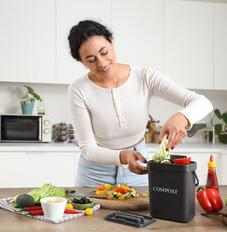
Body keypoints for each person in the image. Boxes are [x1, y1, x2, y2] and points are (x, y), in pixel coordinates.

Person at [67, 20, 213, 187]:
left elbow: (203, 102)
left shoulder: (144, 77)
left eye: (104, 52)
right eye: (91, 59)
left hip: (140, 165)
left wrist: (181, 118)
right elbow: (87, 148)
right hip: (94, 174)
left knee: (145, 213)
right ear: (82, 62)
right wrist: (121, 156)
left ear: (111, 41)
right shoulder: (78, 89)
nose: (101, 63)